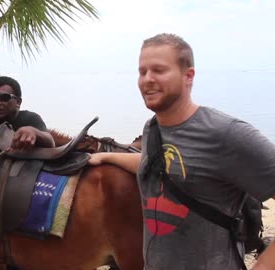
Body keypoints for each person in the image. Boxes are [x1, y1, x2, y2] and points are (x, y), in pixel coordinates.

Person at [88, 33, 275, 270]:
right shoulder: (153, 128)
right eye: (142, 71)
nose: (147, 79)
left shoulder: (225, 134)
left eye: (159, 70)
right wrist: (106, 156)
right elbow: (156, 166)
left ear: (189, 76)